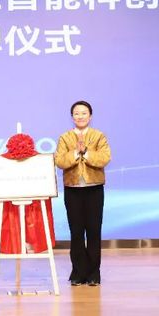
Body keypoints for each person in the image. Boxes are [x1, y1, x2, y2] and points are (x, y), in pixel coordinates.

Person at [54, 100, 111, 286]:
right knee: (76, 231)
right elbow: (60, 161)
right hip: (73, 190)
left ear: (90, 116)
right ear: (72, 117)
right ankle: (78, 272)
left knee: (94, 231)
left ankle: (94, 273)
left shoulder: (98, 136)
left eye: (84, 113)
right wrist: (74, 153)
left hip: (94, 188)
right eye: (77, 113)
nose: (80, 116)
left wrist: (85, 152)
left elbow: (104, 158)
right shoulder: (65, 138)